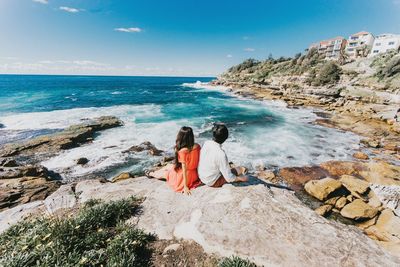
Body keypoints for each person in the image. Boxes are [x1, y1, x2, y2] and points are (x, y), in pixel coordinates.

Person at [164, 126, 202, 195]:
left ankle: (151, 173)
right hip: (195, 174)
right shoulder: (198, 146)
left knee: (167, 173)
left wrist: (185, 186)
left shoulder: (183, 151)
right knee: (170, 167)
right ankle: (155, 171)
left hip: (185, 178)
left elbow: (184, 169)